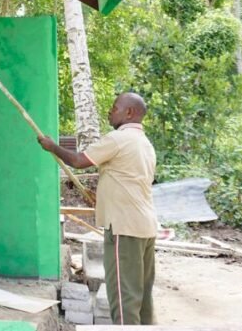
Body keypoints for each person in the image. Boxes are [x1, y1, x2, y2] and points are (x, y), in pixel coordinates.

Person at [38, 92, 157, 325]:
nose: (110, 111)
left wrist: (52, 147)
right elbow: (127, 181)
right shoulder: (145, 143)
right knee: (142, 297)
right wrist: (101, 195)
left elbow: (78, 161)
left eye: (115, 107)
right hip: (145, 226)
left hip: (125, 229)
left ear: (129, 112)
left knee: (124, 298)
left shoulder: (118, 139)